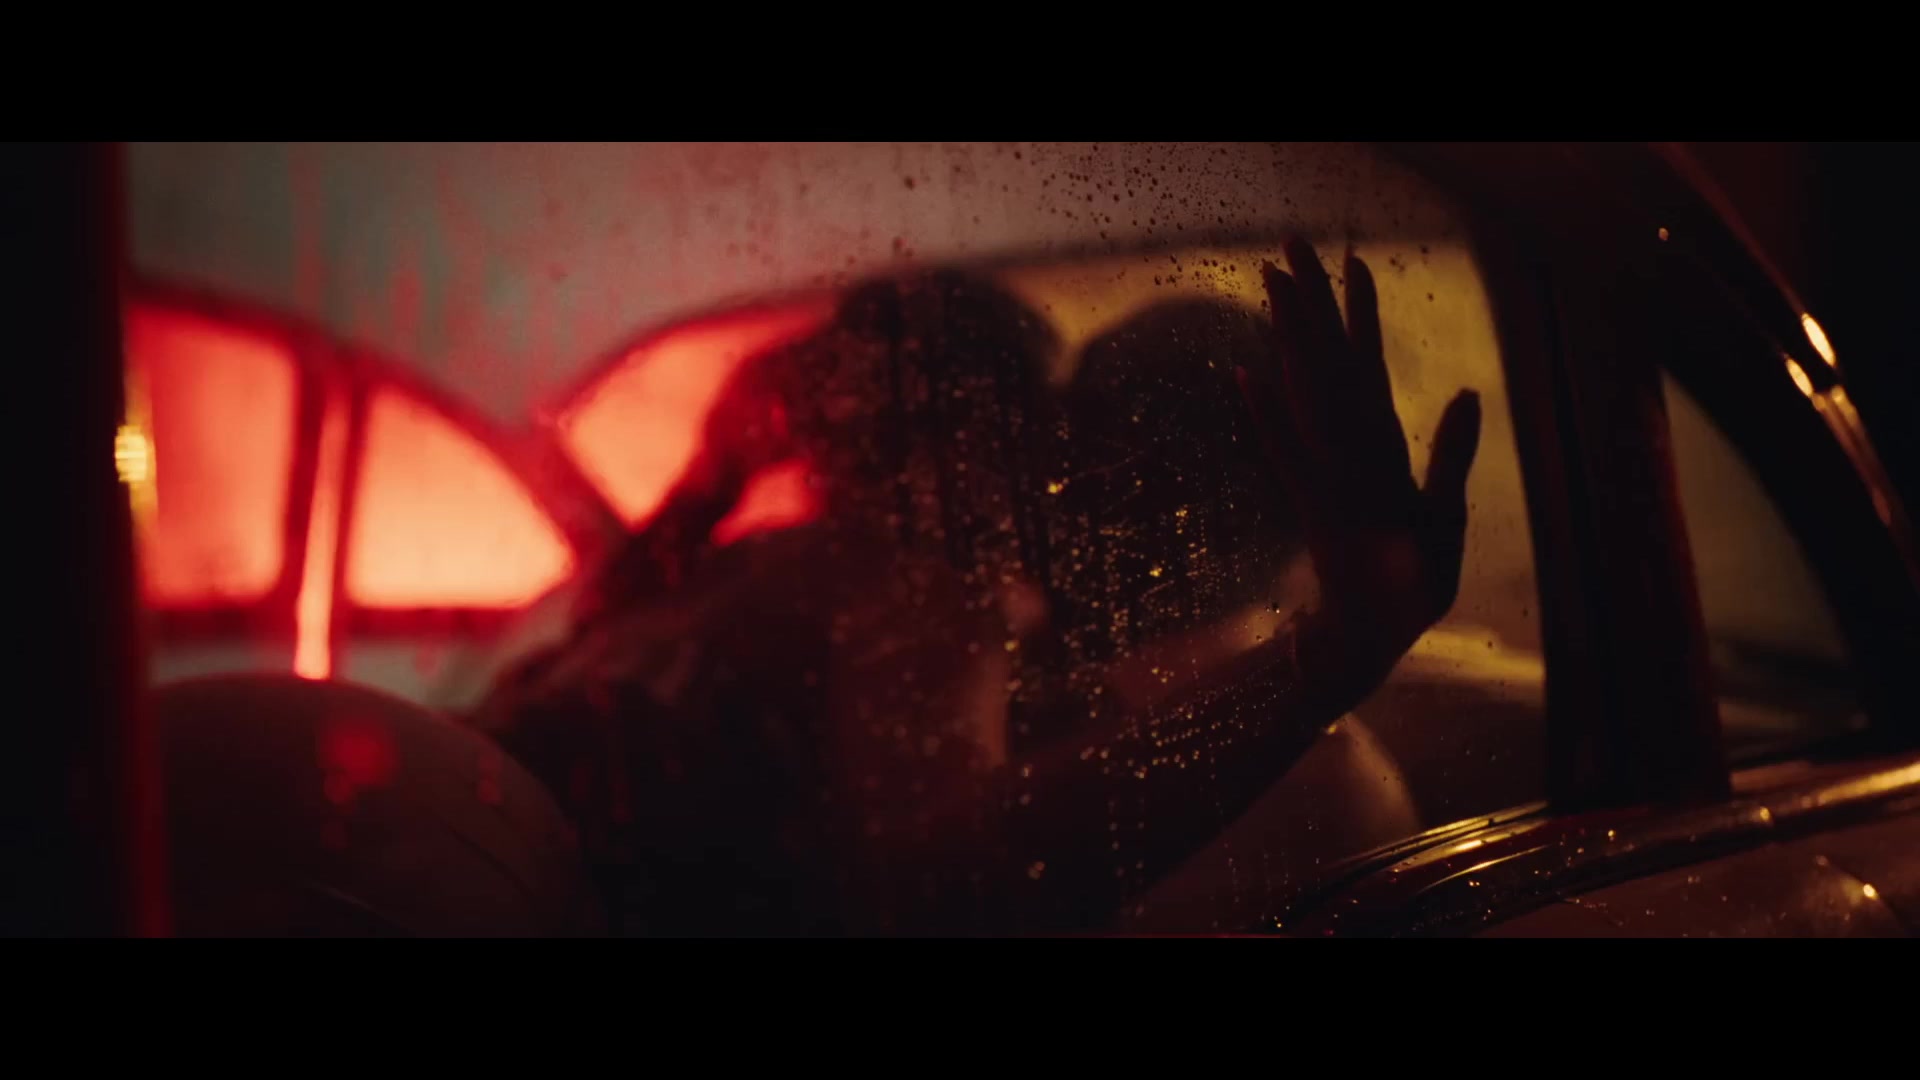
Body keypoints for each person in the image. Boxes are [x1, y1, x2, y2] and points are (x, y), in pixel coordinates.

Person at [472, 238, 1482, 935]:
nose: (1098, 490)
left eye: (1169, 471)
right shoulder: (901, 609)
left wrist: (1335, 652)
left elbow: (947, 887)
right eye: (1084, 434)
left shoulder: (1305, 789)